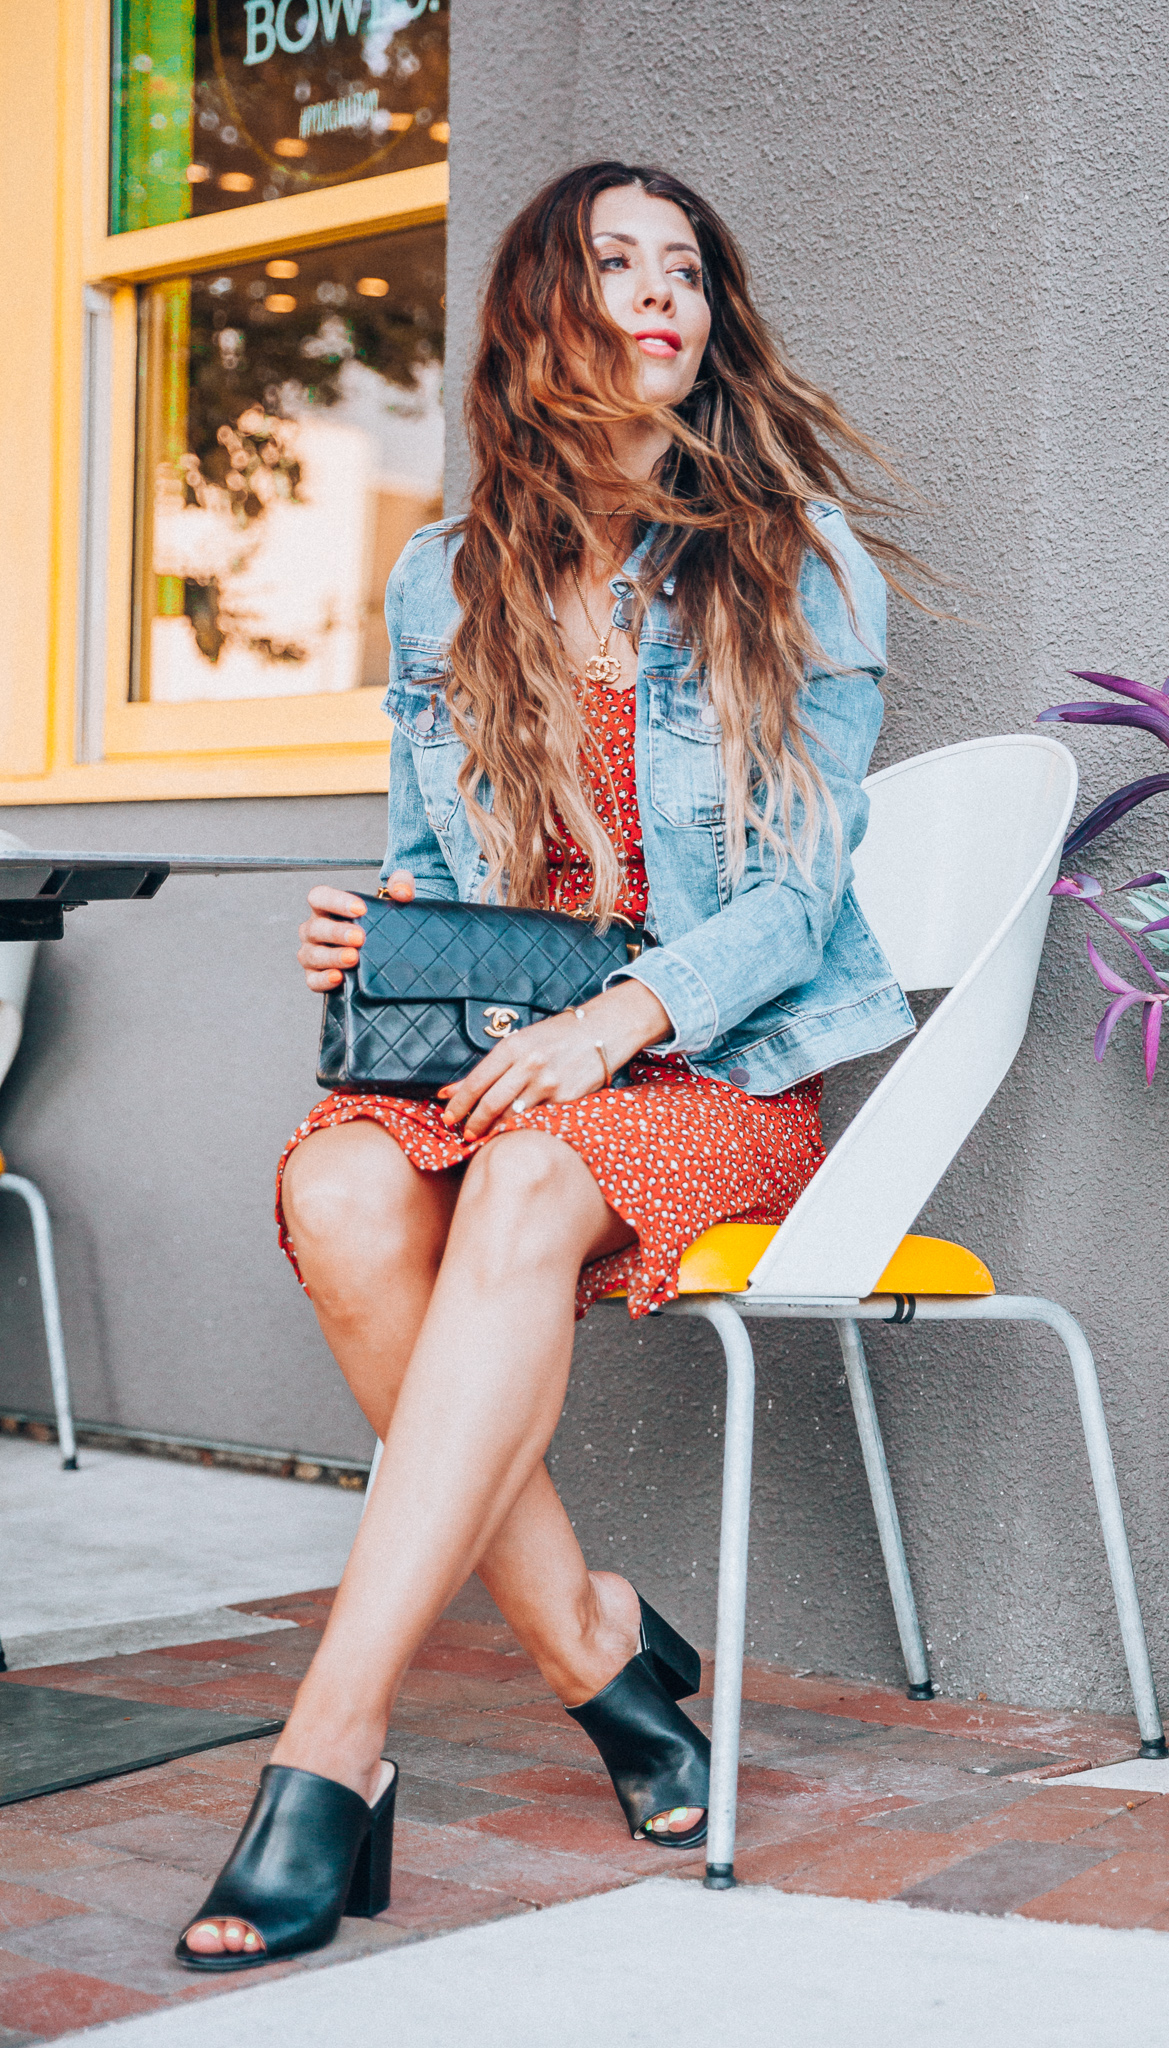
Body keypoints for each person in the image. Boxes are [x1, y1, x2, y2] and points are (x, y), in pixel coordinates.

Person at [176, 159, 918, 1970]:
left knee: (513, 1183)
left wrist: (617, 1021)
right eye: (613, 264)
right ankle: (601, 1650)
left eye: (686, 270)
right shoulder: (446, 577)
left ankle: (328, 1754)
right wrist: (377, 929)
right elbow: (438, 868)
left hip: (706, 1059)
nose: (659, 293)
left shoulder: (792, 560)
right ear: (541, 312)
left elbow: (799, 893)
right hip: (512, 1049)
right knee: (340, 1186)